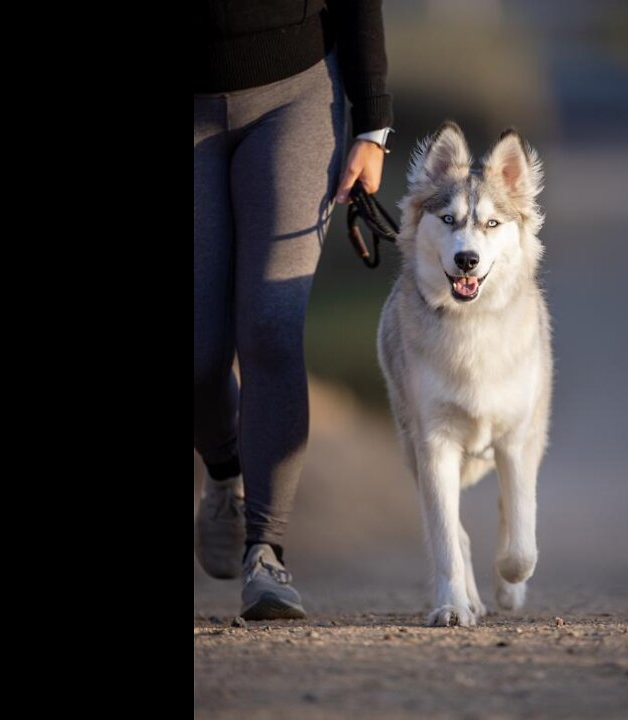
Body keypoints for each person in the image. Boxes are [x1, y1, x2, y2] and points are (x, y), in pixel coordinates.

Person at [194, 1, 393, 620]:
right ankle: (225, 469)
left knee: (273, 327)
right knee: (198, 355)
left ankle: (267, 551)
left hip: (296, 97)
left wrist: (372, 124)